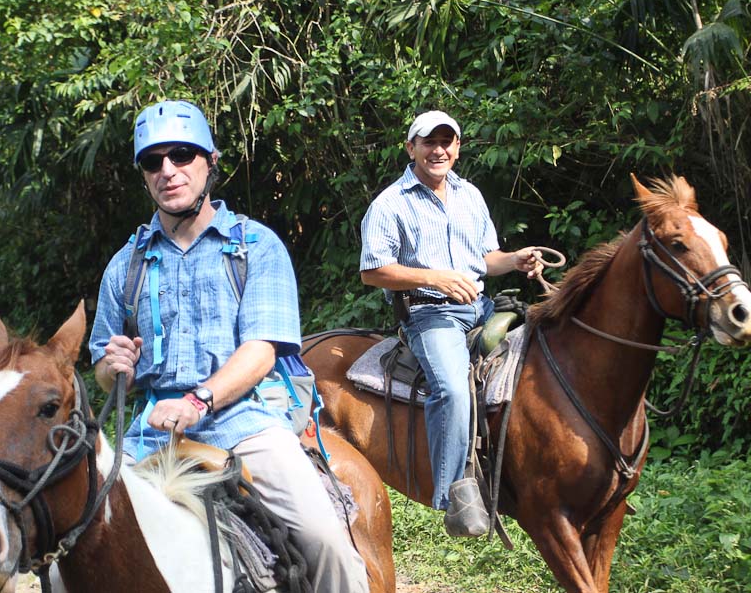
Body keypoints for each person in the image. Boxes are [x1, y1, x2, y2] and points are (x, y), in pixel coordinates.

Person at [90, 99, 369, 591]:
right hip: (152, 433)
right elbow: (106, 369)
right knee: (80, 536)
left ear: (210, 161)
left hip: (246, 424)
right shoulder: (125, 265)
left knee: (326, 540)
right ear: (143, 175)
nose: (168, 170)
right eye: (153, 161)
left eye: (181, 155)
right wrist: (116, 368)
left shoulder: (255, 247)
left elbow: (261, 351)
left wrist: (197, 401)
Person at [359, 109, 542, 536]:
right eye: (429, 142)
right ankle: (454, 492)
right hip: (428, 314)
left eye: (447, 141)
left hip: (480, 308)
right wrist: (433, 277)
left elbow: (484, 259)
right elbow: (372, 271)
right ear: (411, 148)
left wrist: (513, 260)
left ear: (457, 148)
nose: (438, 150)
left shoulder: (470, 196)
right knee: (454, 387)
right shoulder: (390, 204)